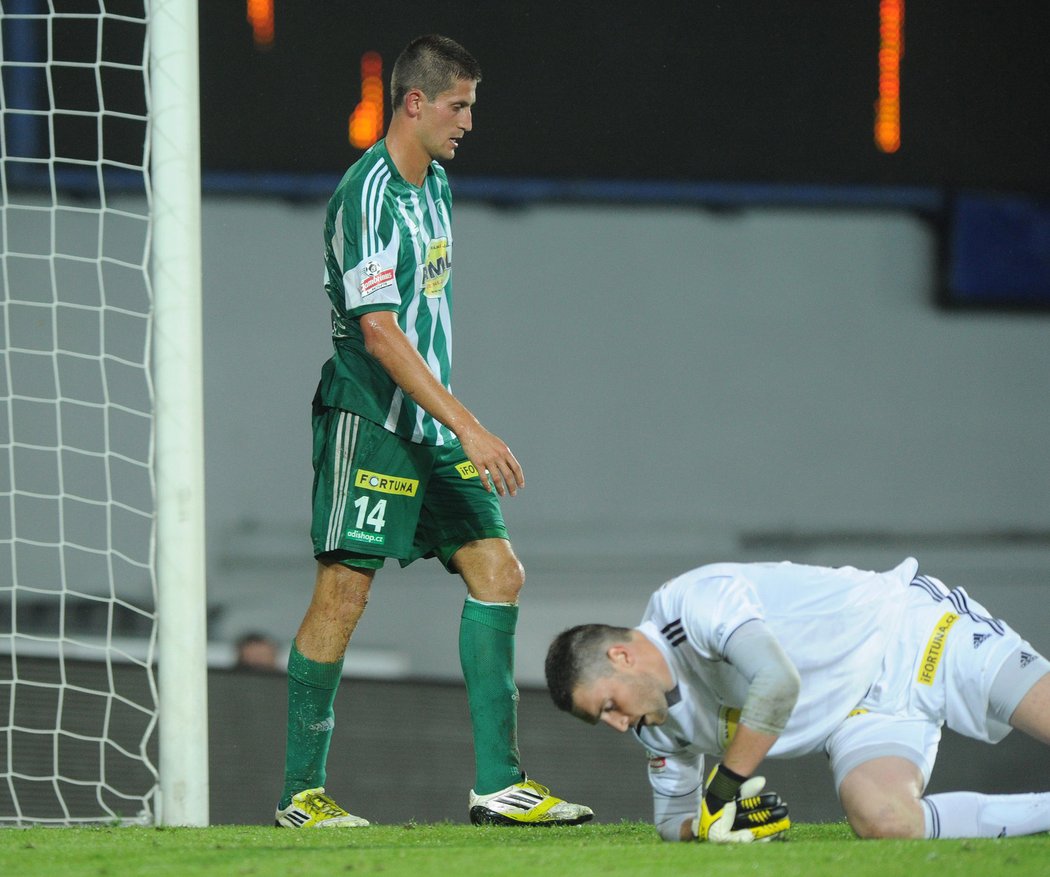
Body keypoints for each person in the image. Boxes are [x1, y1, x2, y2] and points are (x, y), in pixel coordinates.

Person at [274, 34, 592, 829]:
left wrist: (450, 419)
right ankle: (299, 796)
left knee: (499, 571)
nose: (469, 122)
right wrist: (472, 426)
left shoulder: (437, 188)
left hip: (431, 421)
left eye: (472, 107)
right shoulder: (366, 194)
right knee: (344, 593)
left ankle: (498, 785)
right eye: (459, 106)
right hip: (371, 420)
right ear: (414, 102)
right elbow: (380, 331)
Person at [545, 557, 1050, 841]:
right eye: (601, 720)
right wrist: (707, 828)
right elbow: (667, 823)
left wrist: (721, 792)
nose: (616, 724)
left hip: (914, 635)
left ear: (621, 657)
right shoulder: (654, 723)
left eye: (608, 705)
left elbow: (777, 683)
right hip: (860, 718)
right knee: (886, 822)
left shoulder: (689, 604)